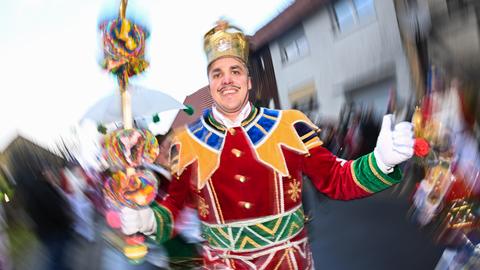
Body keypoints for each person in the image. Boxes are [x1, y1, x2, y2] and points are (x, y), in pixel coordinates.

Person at [120, 20, 414, 269]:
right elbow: (174, 207)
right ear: (209, 84)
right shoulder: (186, 143)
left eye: (235, 70)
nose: (227, 81)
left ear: (249, 81)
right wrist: (149, 219)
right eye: (217, 74)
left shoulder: (288, 126)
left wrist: (380, 161)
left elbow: (335, 180)